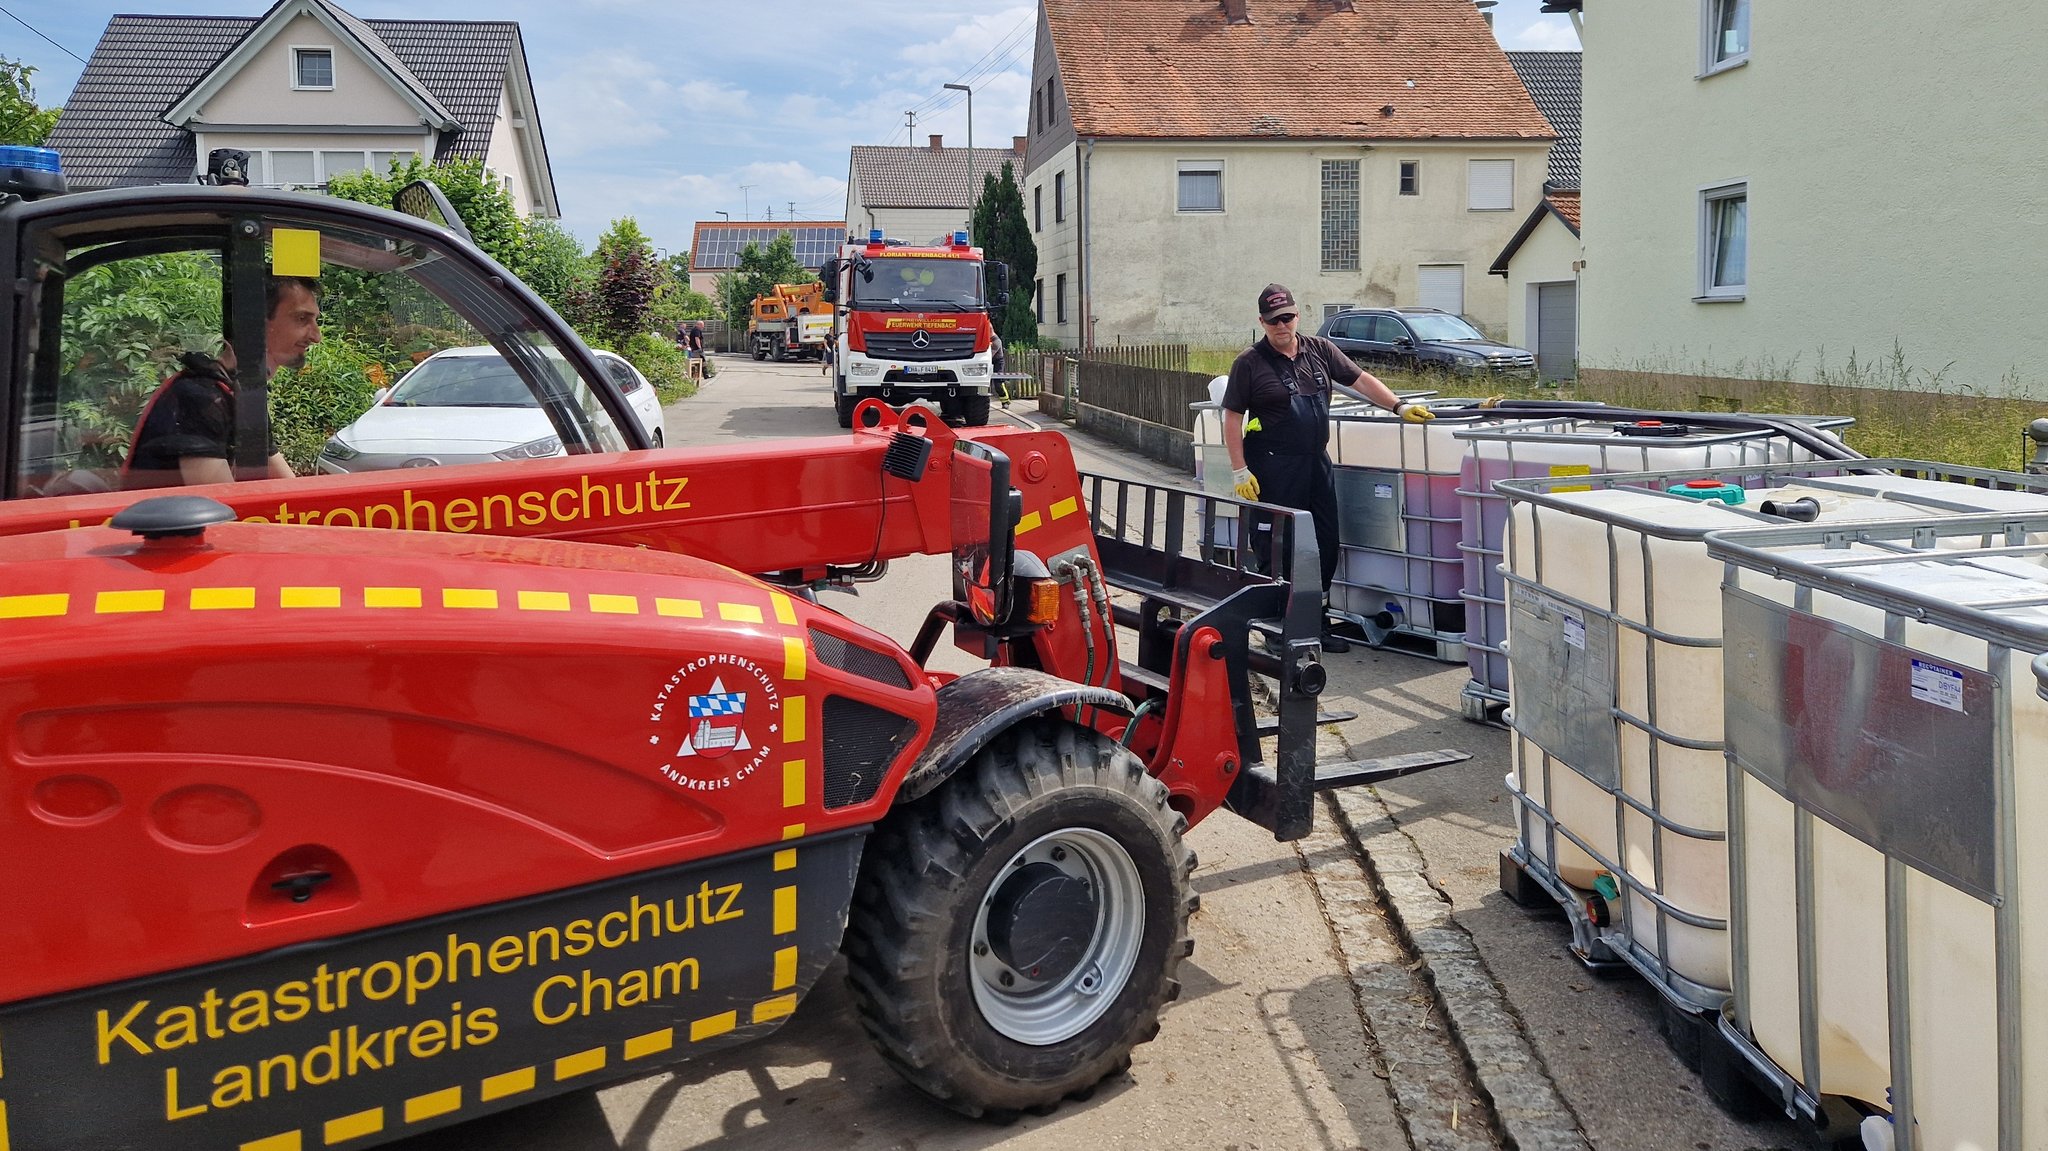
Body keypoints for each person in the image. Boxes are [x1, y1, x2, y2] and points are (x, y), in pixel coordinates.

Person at [1222, 283, 1435, 653]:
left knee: (1323, 544)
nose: (1282, 326)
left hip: (1315, 463)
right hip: (1272, 466)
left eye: (1287, 317)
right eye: (1273, 321)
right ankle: (1277, 630)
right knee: (1279, 548)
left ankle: (1315, 625)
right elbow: (1231, 417)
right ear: (1262, 322)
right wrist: (1240, 470)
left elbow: (1361, 380)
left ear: (1297, 315)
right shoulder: (1249, 363)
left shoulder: (1320, 350)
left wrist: (1398, 406)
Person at [124, 275, 321, 489]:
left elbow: (289, 490)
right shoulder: (201, 399)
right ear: (255, 326)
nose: (316, 336)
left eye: (315, 321)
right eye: (302, 319)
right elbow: (224, 508)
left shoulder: (239, 394)